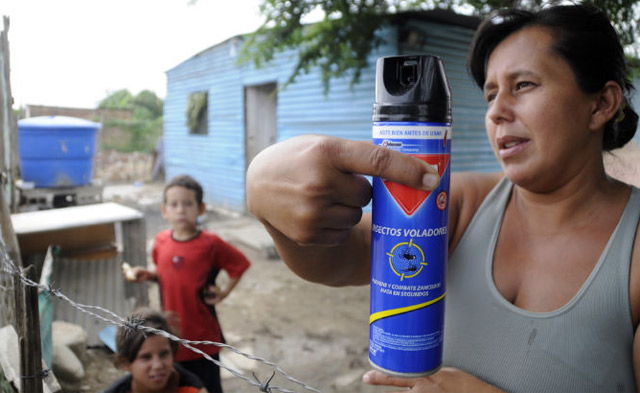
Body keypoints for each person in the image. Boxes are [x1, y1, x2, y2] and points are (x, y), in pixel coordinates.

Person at [245, 4, 639, 393]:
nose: (497, 112)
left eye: (523, 85)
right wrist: (269, 200)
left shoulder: (633, 251)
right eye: (489, 95)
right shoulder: (462, 202)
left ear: (602, 103)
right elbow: (339, 257)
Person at [128, 174, 251, 393]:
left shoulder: (210, 244)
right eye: (174, 204)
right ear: (164, 210)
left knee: (208, 388)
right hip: (171, 338)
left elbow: (240, 264)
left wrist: (223, 293)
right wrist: (147, 274)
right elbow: (164, 272)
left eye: (187, 204)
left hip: (203, 338)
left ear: (201, 208)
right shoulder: (161, 241)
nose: (181, 210)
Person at [102, 308, 207, 393]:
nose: (158, 365)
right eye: (146, 357)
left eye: (164, 354)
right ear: (125, 363)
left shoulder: (192, 389)